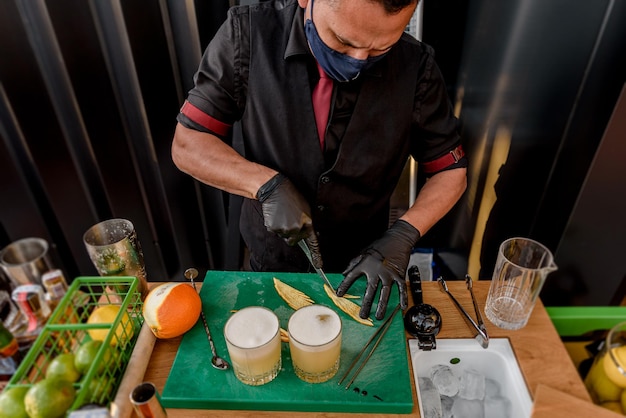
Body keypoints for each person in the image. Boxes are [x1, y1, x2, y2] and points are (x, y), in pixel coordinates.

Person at [171, 0, 467, 321]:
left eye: (381, 49)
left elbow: (450, 172)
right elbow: (188, 144)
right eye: (343, 42)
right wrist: (264, 185)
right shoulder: (248, 34)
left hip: (365, 265)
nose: (358, 63)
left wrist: (404, 234)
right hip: (272, 260)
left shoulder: (418, 68)